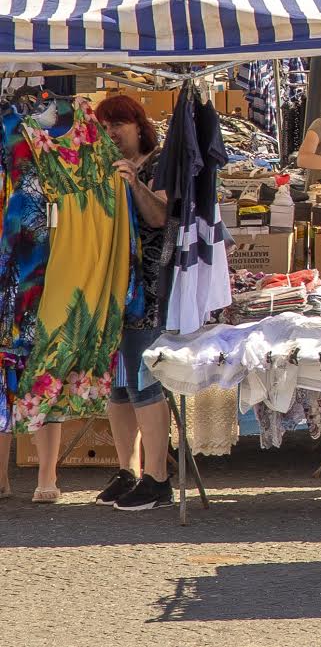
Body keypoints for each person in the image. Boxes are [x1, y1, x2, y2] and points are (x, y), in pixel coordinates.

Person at [91, 96, 172, 511]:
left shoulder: (160, 164)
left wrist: (134, 183)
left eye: (118, 125)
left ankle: (159, 479)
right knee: (118, 387)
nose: (111, 134)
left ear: (139, 125)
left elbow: (160, 216)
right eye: (104, 128)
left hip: (149, 289)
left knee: (144, 382)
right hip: (112, 291)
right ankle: (129, 470)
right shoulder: (100, 168)